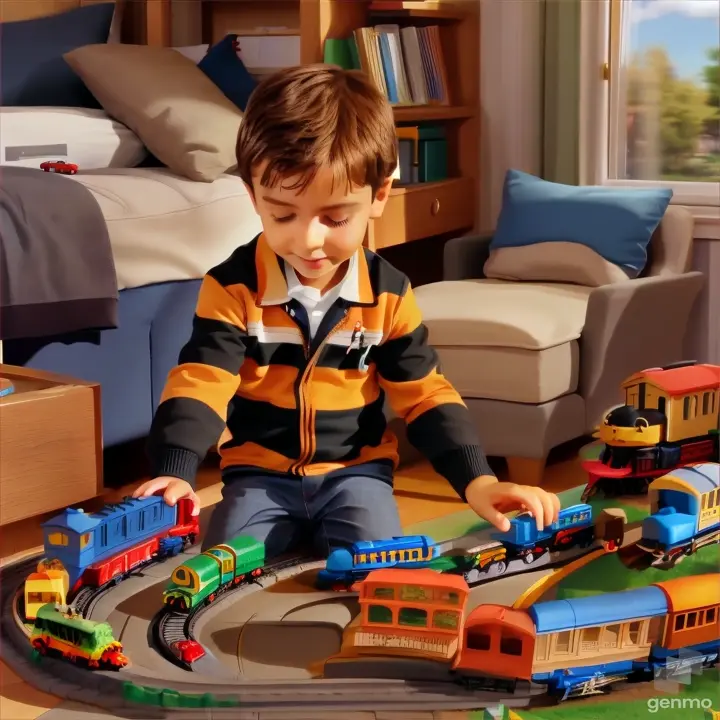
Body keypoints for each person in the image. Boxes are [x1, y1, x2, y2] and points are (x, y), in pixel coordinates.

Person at [134, 64, 560, 556]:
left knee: (381, 565)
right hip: (259, 476)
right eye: (282, 214)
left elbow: (425, 396)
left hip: (356, 474)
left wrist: (478, 480)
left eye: (335, 217)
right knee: (224, 570)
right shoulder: (232, 287)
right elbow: (201, 379)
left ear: (378, 196)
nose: (309, 240)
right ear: (252, 196)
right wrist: (175, 467)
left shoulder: (389, 295)